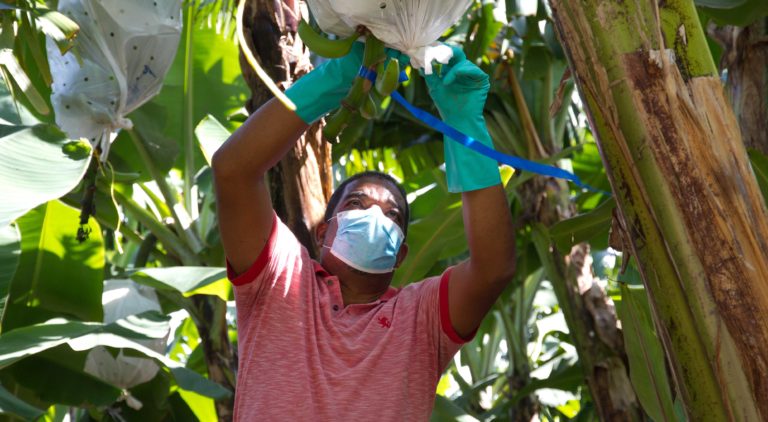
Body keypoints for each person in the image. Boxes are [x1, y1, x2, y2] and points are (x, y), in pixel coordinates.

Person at [212, 42, 516, 421]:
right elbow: (232, 171)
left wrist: (464, 125)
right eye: (356, 204)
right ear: (325, 231)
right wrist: (336, 79)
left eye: (391, 216)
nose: (375, 216)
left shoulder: (420, 319)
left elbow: (494, 268)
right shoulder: (282, 280)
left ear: (401, 253)